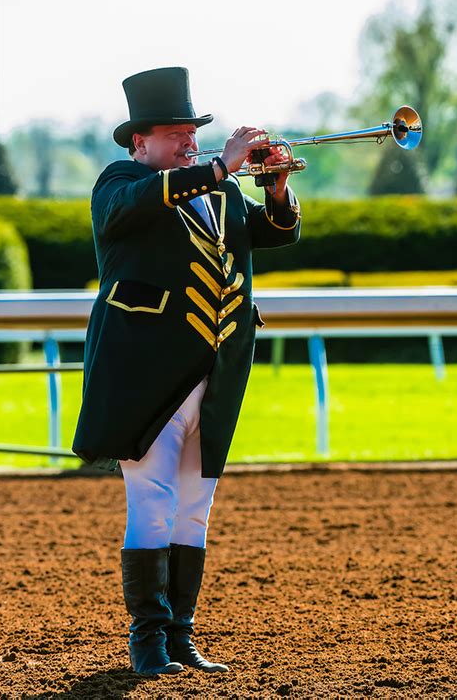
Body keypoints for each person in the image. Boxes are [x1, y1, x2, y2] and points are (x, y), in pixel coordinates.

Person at [72, 67, 301, 677]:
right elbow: (142, 204)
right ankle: (146, 641)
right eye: (173, 135)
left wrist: (276, 190)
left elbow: (276, 233)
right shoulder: (120, 183)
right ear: (138, 143)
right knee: (152, 499)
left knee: (194, 507)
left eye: (190, 132)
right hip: (147, 375)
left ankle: (179, 636)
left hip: (218, 369)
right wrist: (221, 166)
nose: (187, 143)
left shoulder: (218, 192)